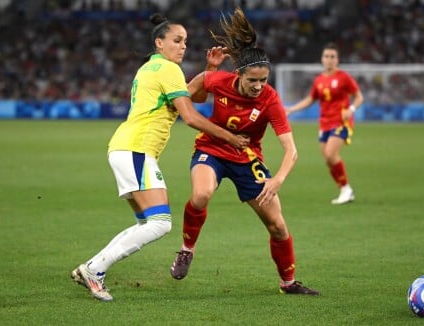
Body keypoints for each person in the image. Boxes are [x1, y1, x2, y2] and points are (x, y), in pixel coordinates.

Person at [70, 13, 249, 301]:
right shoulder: (168, 70)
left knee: (147, 223)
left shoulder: (151, 68)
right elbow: (190, 116)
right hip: (137, 150)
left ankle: (92, 268)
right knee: (160, 223)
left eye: (186, 42)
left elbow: (192, 98)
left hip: (125, 148)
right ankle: (95, 269)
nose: (182, 47)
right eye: (177, 41)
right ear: (159, 42)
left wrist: (209, 69)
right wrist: (230, 138)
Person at [169, 8, 319, 295]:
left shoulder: (270, 100)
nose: (259, 86)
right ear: (238, 74)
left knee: (277, 225)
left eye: (263, 80)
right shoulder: (219, 80)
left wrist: (278, 180)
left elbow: (291, 150)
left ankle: (288, 283)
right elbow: (194, 95)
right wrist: (210, 70)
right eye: (253, 80)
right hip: (211, 148)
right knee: (201, 195)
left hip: (247, 158)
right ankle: (186, 250)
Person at [285, 42, 364, 205]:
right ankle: (345, 189)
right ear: (322, 59)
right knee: (328, 159)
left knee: (330, 154)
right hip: (324, 123)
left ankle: (346, 190)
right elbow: (310, 99)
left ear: (337, 59)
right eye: (327, 56)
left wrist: (352, 109)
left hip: (341, 121)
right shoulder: (319, 80)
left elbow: (359, 96)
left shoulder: (344, 77)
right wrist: (292, 109)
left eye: (332, 57)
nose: (329, 60)